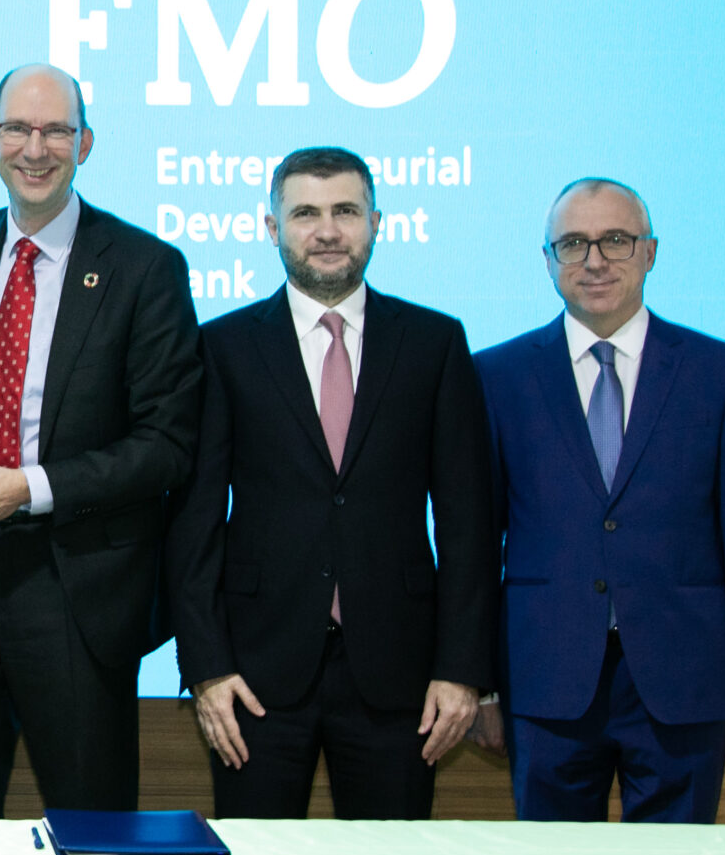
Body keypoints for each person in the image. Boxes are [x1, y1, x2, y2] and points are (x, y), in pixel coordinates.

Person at [0, 64, 200, 818]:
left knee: (93, 825)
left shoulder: (145, 267)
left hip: (77, 588)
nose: (35, 148)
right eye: (18, 129)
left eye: (56, 130)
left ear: (84, 144)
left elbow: (165, 445)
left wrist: (29, 487)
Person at [166, 146, 499, 820]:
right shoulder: (223, 347)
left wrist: (462, 670)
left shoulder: (434, 343)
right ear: (272, 228)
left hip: (402, 676)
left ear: (377, 222)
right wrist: (206, 666)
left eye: (345, 211)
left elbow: (468, 523)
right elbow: (193, 520)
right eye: (305, 214)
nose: (326, 231)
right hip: (253, 675)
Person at [470, 178, 725, 822]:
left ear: (650, 251)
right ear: (548, 260)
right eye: (573, 244)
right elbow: (475, 546)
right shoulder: (497, 377)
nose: (595, 261)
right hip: (546, 678)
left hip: (684, 680)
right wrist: (483, 687)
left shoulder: (718, 374)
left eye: (615, 240)